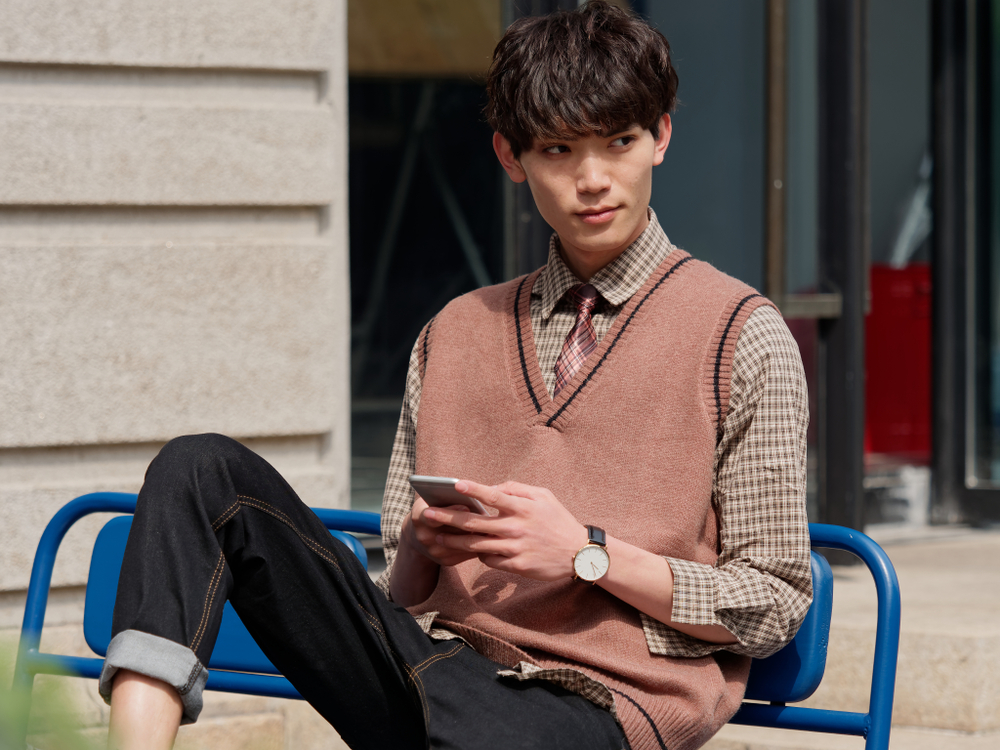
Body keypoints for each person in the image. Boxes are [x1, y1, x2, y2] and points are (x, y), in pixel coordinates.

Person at [100, 3, 812, 750]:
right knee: (199, 470)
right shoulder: (454, 332)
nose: (593, 179)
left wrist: (586, 554)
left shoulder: (740, 334)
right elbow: (401, 601)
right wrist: (417, 552)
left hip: (595, 704)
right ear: (511, 156)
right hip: (435, 671)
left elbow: (770, 604)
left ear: (660, 136)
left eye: (620, 142)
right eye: (559, 149)